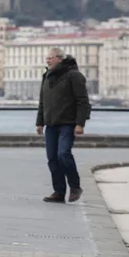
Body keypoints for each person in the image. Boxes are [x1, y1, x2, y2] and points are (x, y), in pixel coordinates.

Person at [36, 47, 91, 203]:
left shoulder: (74, 75)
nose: (47, 60)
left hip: (68, 123)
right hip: (51, 124)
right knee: (52, 159)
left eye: (50, 58)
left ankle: (75, 187)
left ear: (59, 59)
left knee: (63, 154)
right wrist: (39, 122)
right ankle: (59, 192)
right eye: (47, 58)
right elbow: (42, 101)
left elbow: (83, 101)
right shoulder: (47, 76)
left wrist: (80, 124)